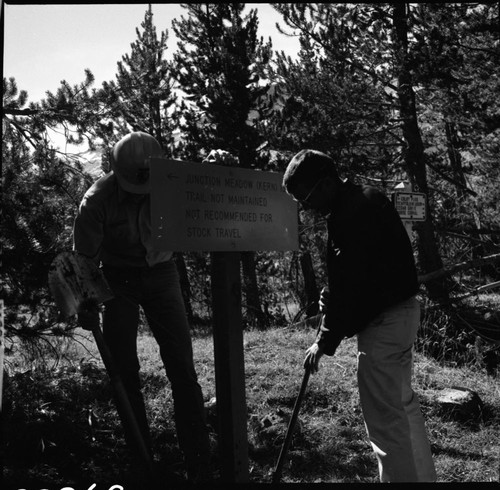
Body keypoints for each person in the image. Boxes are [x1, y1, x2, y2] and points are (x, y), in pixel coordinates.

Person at [282, 149, 436, 483]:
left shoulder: (352, 213)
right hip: (401, 315)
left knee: (385, 423)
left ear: (324, 183)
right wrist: (333, 294)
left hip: (384, 323)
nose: (306, 208)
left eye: (305, 198)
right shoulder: (364, 199)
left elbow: (353, 288)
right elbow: (358, 276)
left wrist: (323, 341)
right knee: (403, 407)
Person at [73, 131, 211, 483]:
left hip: (162, 273)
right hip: (118, 280)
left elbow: (203, 211)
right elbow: (85, 259)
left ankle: (198, 458)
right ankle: (142, 459)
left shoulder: (173, 186)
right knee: (125, 371)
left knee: (181, 365)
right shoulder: (96, 201)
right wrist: (85, 301)